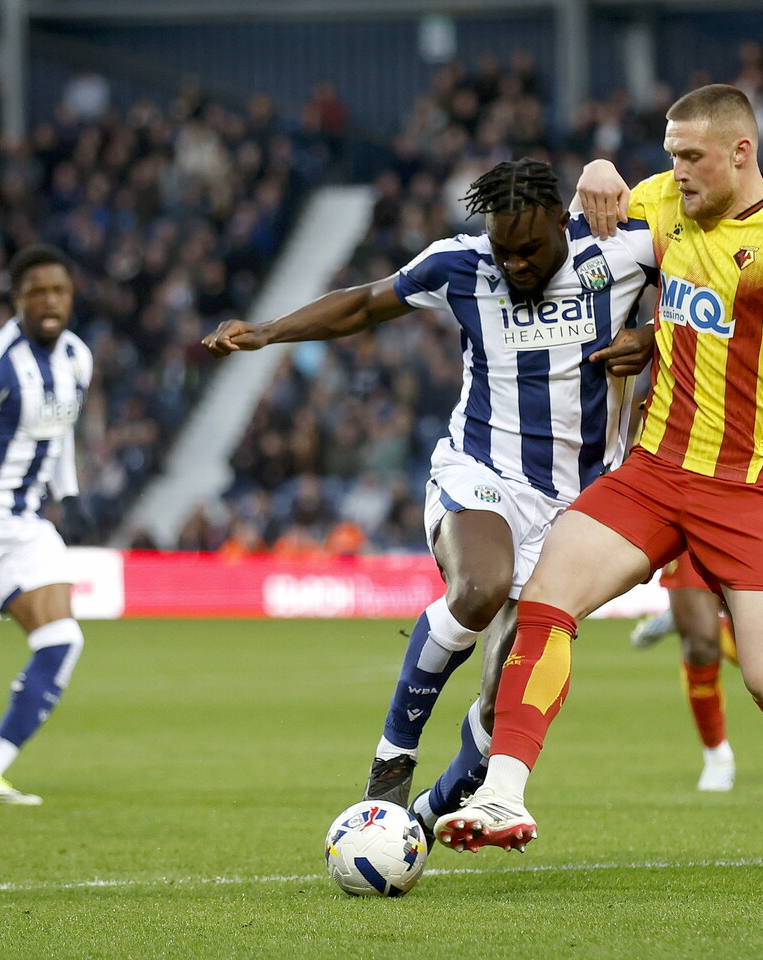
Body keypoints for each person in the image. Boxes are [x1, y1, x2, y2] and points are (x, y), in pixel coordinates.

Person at [435, 84, 763, 882]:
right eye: (669, 155)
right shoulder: (665, 204)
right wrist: (596, 167)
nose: (674, 173)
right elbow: (600, 197)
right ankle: (503, 792)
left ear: (741, 152)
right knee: (545, 596)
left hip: (751, 486)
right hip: (654, 470)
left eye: (690, 158)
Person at [203, 158, 657, 840]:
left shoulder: (625, 251)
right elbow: (364, 302)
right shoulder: (460, 264)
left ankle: (419, 819)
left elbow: (705, 298)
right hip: (481, 473)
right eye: (505, 252)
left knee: (504, 702)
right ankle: (394, 755)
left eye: (530, 250)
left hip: (579, 506)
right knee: (481, 585)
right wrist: (268, 332)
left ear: (560, 226)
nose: (516, 266)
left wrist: (651, 340)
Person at [630, 404, 763, 792]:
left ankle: (688, 617)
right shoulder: (688, 359)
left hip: (753, 509)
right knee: (702, 644)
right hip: (687, 499)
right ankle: (716, 754)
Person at [0, 244, 93, 806]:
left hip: (25, 524)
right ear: (17, 299)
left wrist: (70, 494)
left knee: (61, 640)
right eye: (36, 291)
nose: (49, 301)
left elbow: (58, 433)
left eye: (58, 290)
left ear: (71, 296)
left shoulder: (77, 358)